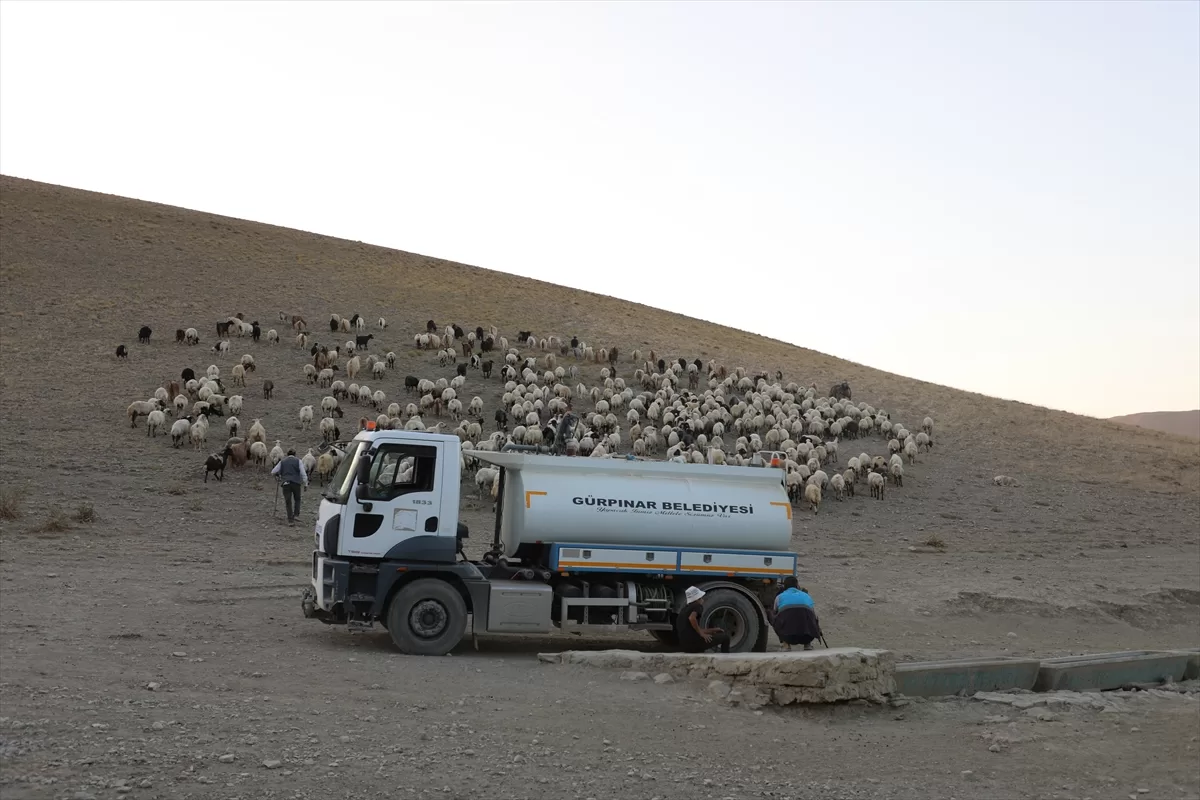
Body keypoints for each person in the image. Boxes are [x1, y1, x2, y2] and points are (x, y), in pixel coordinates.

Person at [771, 577, 822, 651]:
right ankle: (807, 644)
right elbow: (813, 615)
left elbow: (775, 612)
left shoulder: (779, 597)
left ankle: (786, 645)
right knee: (810, 616)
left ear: (784, 586)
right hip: (807, 636)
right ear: (797, 585)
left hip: (788, 636)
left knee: (774, 617)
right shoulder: (806, 596)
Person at [677, 586, 731, 654]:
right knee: (725, 637)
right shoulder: (697, 606)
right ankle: (725, 660)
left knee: (716, 635)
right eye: (701, 598)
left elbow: (694, 630)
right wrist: (702, 634)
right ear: (697, 599)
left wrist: (712, 630)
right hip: (694, 644)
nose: (702, 599)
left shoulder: (684, 610)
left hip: (685, 646)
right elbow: (692, 618)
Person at [271, 449, 309, 526]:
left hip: (286, 484)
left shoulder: (282, 461)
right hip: (296, 483)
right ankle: (296, 514)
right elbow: (303, 473)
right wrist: (306, 484)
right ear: (295, 454)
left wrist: (278, 475)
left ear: (287, 454)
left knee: (288, 501)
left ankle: (290, 520)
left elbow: (273, 471)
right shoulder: (298, 461)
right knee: (297, 499)